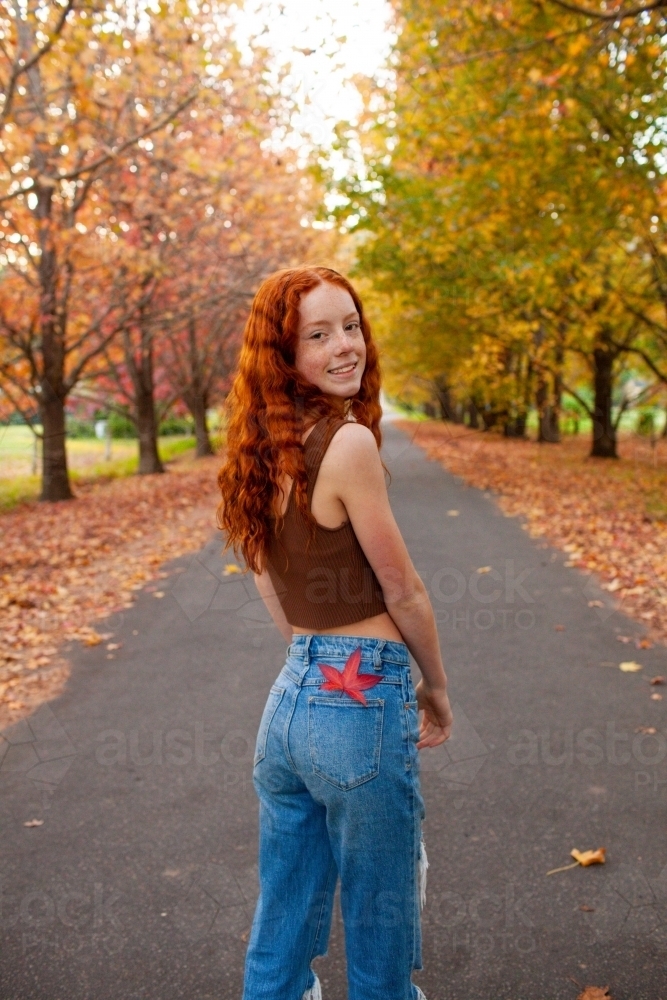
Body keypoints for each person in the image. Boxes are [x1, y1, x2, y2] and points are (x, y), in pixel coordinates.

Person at [217, 266, 453, 1000]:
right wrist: (435, 688)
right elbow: (402, 589)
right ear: (283, 355)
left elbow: (267, 580)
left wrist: (311, 652)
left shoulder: (255, 455)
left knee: (285, 915)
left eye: (349, 325)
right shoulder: (345, 443)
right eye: (317, 335)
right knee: (381, 919)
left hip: (289, 702)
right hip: (359, 701)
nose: (344, 345)